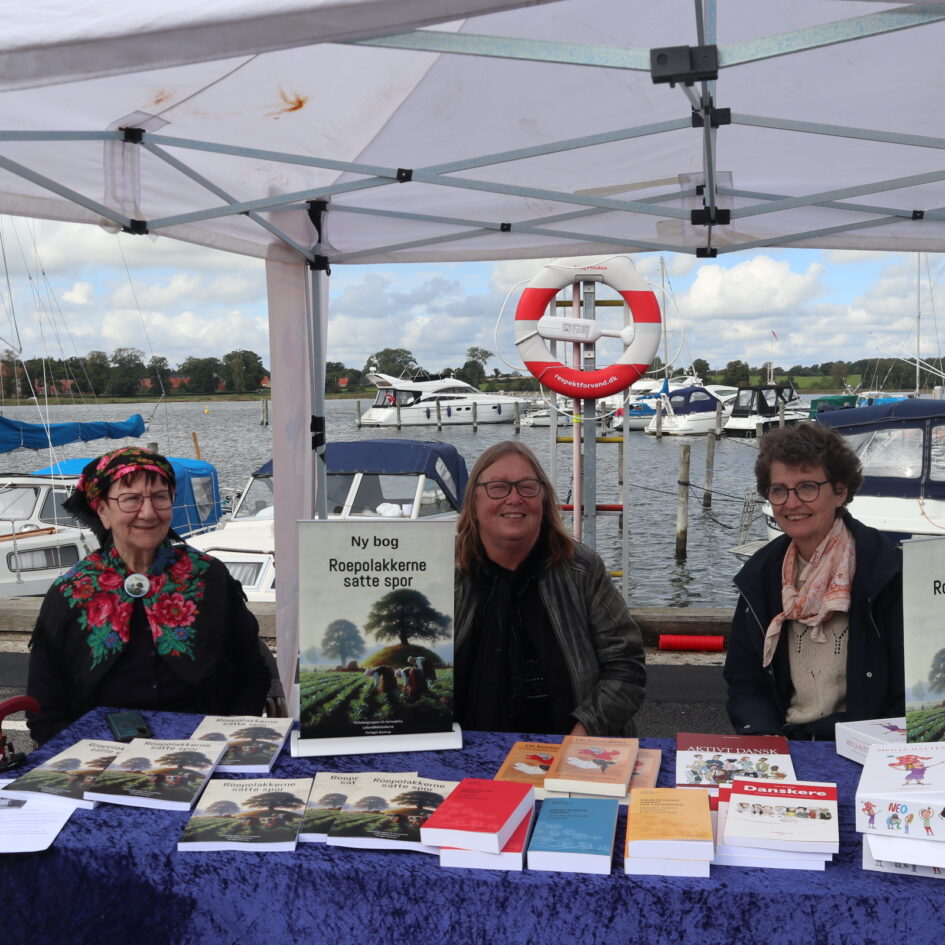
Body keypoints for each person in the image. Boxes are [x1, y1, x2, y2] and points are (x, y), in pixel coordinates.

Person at [26, 446, 271, 744]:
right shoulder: (72, 591)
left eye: (160, 497)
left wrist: (227, 737)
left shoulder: (209, 578)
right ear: (102, 511)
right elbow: (45, 707)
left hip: (206, 747)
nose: (148, 512)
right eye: (131, 499)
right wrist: (78, 757)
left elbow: (252, 672)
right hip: (98, 754)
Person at [723, 423, 903, 740]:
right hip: (782, 739)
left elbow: (907, 690)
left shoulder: (887, 572)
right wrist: (763, 734)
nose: (791, 503)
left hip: (868, 745)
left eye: (807, 487)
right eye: (779, 490)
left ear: (841, 491)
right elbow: (745, 678)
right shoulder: (761, 574)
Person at [454, 440, 646, 736]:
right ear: (473, 502)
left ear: (543, 499)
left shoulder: (582, 569)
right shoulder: (444, 573)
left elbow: (626, 665)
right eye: (498, 487)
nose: (514, 498)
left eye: (528, 486)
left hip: (570, 751)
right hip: (465, 753)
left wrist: (585, 731)